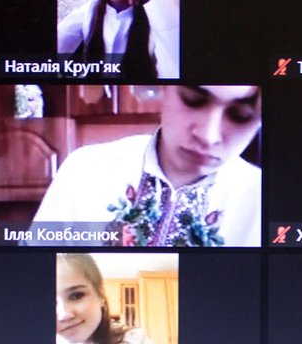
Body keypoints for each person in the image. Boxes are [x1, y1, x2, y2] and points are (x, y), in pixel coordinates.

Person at [31, 85, 261, 246]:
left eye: (242, 114)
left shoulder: (263, 197)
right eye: (192, 99)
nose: (208, 136)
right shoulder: (83, 169)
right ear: (164, 88)